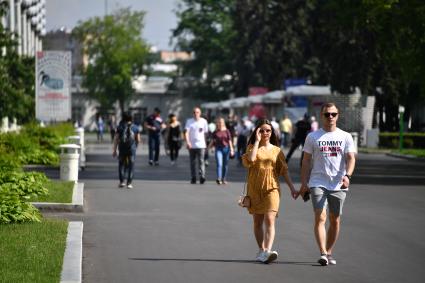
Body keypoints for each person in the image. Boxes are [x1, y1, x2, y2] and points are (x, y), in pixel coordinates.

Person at [299, 102, 356, 266]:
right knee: (320, 217)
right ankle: (323, 253)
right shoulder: (313, 136)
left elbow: (351, 158)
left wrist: (348, 176)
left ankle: (329, 251)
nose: (330, 117)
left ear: (338, 116)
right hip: (318, 182)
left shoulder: (345, 136)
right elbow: (306, 161)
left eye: (333, 114)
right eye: (327, 114)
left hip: (338, 183)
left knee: (335, 219)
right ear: (321, 116)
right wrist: (304, 183)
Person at [242, 119, 298, 264]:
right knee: (257, 221)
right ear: (257, 131)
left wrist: (292, 188)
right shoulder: (251, 147)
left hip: (272, 187)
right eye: (262, 130)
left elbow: (284, 171)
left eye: (268, 130)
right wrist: (256, 142)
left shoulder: (277, 150)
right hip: (255, 188)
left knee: (270, 219)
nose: (265, 133)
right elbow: (252, 159)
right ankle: (261, 250)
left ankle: (267, 250)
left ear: (272, 132)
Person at [112, 112, 141, 189]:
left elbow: (116, 139)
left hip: (122, 148)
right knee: (131, 165)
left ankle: (122, 182)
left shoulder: (120, 127)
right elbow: (138, 139)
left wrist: (114, 150)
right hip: (132, 148)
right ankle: (129, 183)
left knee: (121, 164)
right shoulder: (135, 127)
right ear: (131, 118)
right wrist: (135, 146)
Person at [184, 107, 209, 184]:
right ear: (193, 113)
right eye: (194, 112)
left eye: (197, 112)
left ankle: (202, 176)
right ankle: (193, 177)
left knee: (201, 161)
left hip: (201, 145)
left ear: (200, 113)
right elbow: (186, 132)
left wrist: (206, 144)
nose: (196, 114)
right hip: (192, 145)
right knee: (192, 162)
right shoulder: (189, 121)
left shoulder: (204, 121)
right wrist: (188, 142)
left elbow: (205, 134)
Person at [208, 117, 234, 185]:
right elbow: (213, 141)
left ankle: (224, 178)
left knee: (225, 165)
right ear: (217, 123)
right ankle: (219, 178)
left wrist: (232, 149)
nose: (220, 123)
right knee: (219, 164)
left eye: (221, 122)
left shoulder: (227, 131)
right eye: (219, 122)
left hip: (226, 149)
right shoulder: (215, 131)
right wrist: (208, 148)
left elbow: (229, 140)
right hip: (218, 149)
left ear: (223, 123)